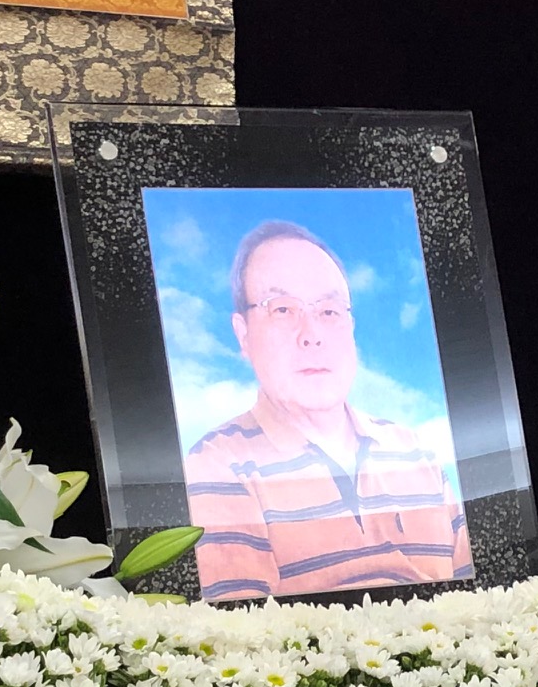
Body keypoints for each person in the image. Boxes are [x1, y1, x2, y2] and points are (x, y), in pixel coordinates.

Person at [182, 220, 471, 601]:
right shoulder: (216, 465)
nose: (312, 334)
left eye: (330, 311)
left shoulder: (415, 452)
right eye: (282, 309)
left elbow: (479, 599)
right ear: (243, 334)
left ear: (350, 327)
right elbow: (242, 628)